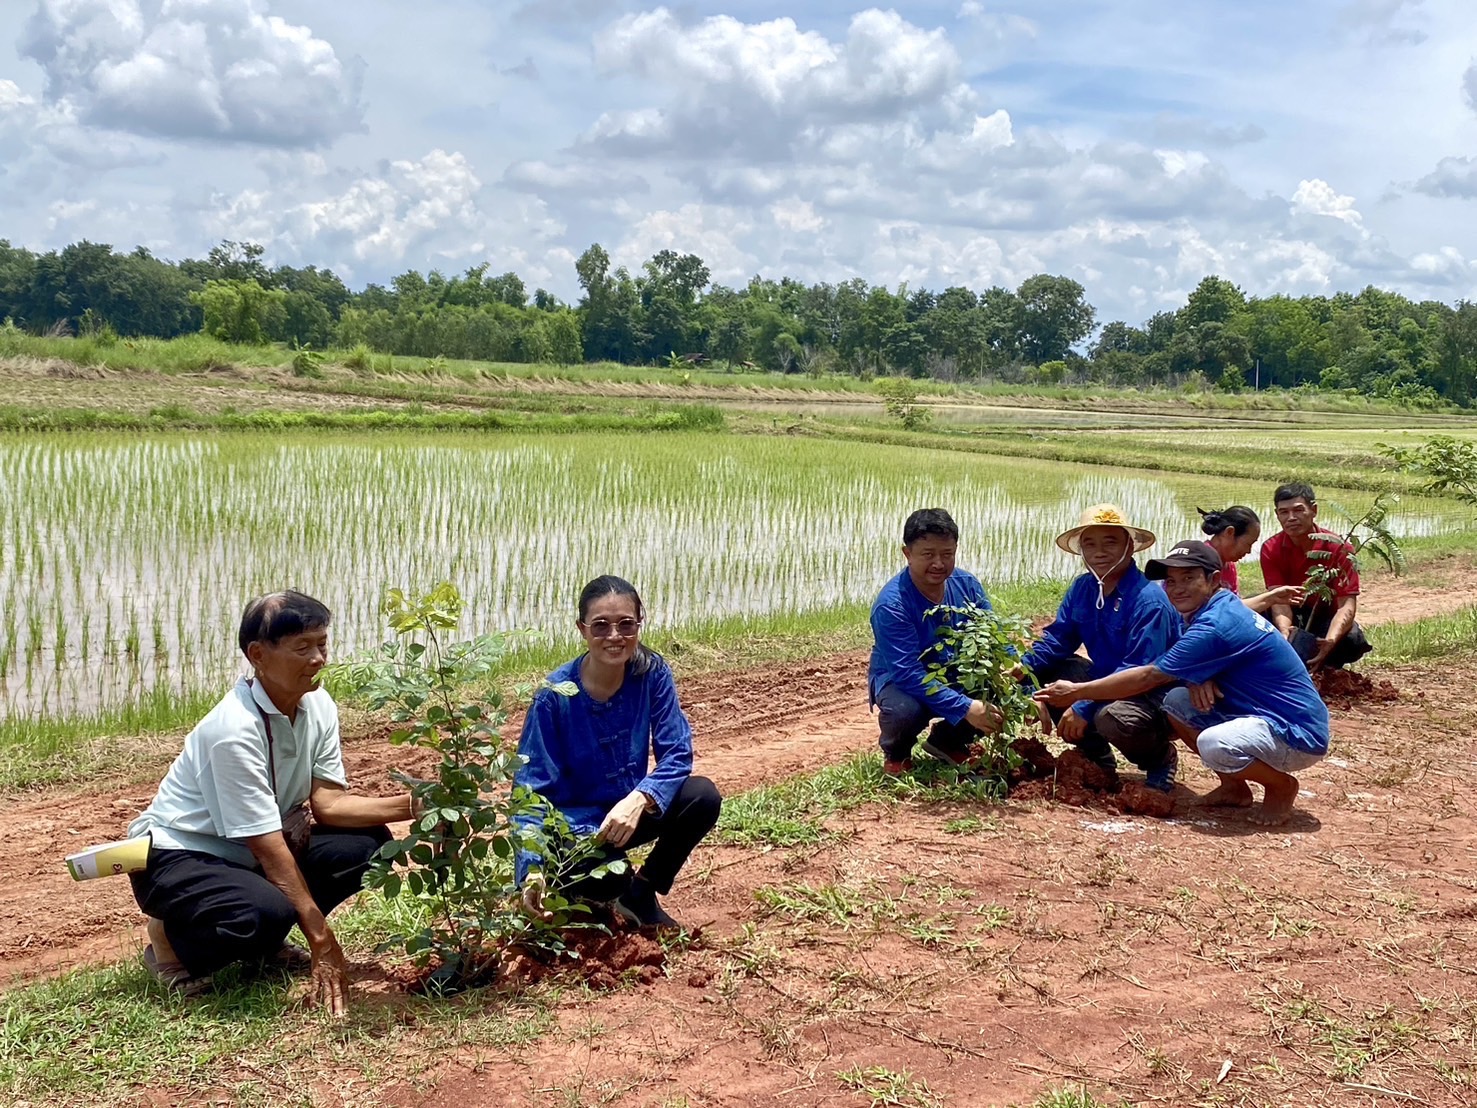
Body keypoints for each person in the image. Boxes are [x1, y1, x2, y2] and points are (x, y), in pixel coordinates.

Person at [128, 591, 415, 1015]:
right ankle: (171, 942)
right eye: (303, 648)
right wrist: (322, 940)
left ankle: (264, 939)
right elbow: (267, 846)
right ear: (258, 655)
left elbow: (330, 805)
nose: (318, 658)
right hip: (180, 856)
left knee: (367, 848)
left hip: (247, 852)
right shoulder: (232, 730)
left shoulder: (317, 705)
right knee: (264, 914)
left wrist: (414, 804)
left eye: (322, 643)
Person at [1035, 541, 1330, 827]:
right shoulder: (1213, 606)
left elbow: (1149, 674)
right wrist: (1196, 675)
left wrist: (1077, 693)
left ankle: (1281, 786)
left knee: (1213, 743)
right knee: (1178, 701)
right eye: (1171, 581)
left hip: (1297, 733)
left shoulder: (1213, 624)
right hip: (1264, 714)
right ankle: (1234, 786)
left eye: (1188, 578)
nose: (1176, 589)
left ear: (1214, 580)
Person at [514, 576, 721, 931]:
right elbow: (530, 794)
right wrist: (531, 869)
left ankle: (640, 895)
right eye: (601, 626)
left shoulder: (651, 673)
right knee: (608, 877)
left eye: (626, 624)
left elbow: (677, 754)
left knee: (701, 797)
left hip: (627, 814)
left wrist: (641, 798)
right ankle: (583, 893)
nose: (615, 636)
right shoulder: (553, 698)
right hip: (575, 830)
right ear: (582, 629)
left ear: (639, 623)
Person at [1020, 504, 1181, 791]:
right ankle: (1097, 759)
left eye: (1111, 542)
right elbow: (1059, 639)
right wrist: (1023, 673)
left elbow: (1139, 673)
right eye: (1090, 543)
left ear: (1130, 547)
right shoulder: (1083, 587)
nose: (1100, 552)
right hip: (1106, 681)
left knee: (1113, 716)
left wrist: (1083, 703)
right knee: (1058, 670)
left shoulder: (1149, 600)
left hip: (1151, 695)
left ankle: (1160, 759)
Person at [868, 508, 1005, 775]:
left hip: (954, 670)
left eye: (947, 554)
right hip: (901, 680)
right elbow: (907, 673)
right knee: (904, 711)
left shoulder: (966, 584)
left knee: (998, 687)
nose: (938, 563)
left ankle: (947, 742)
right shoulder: (891, 605)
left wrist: (1013, 675)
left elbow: (992, 634)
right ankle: (897, 752)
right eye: (928, 554)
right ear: (907, 554)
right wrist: (966, 707)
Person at [1259, 482, 1372, 670]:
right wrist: (1286, 634)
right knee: (1250, 617)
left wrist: (1331, 640)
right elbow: (1280, 600)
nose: (1291, 518)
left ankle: (1326, 664)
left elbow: (1346, 605)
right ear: (1277, 515)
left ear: (1314, 510)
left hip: (1324, 614)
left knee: (1351, 639)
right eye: (1284, 512)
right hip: (1292, 612)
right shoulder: (1271, 548)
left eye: (1298, 510)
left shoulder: (1339, 548)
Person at [1197, 505, 1309, 614]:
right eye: (1248, 544)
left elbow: (1234, 605)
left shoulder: (1228, 565)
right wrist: (1270, 598)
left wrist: (1272, 598)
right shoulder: (1200, 562)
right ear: (1229, 533)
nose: (1249, 551)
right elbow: (1219, 611)